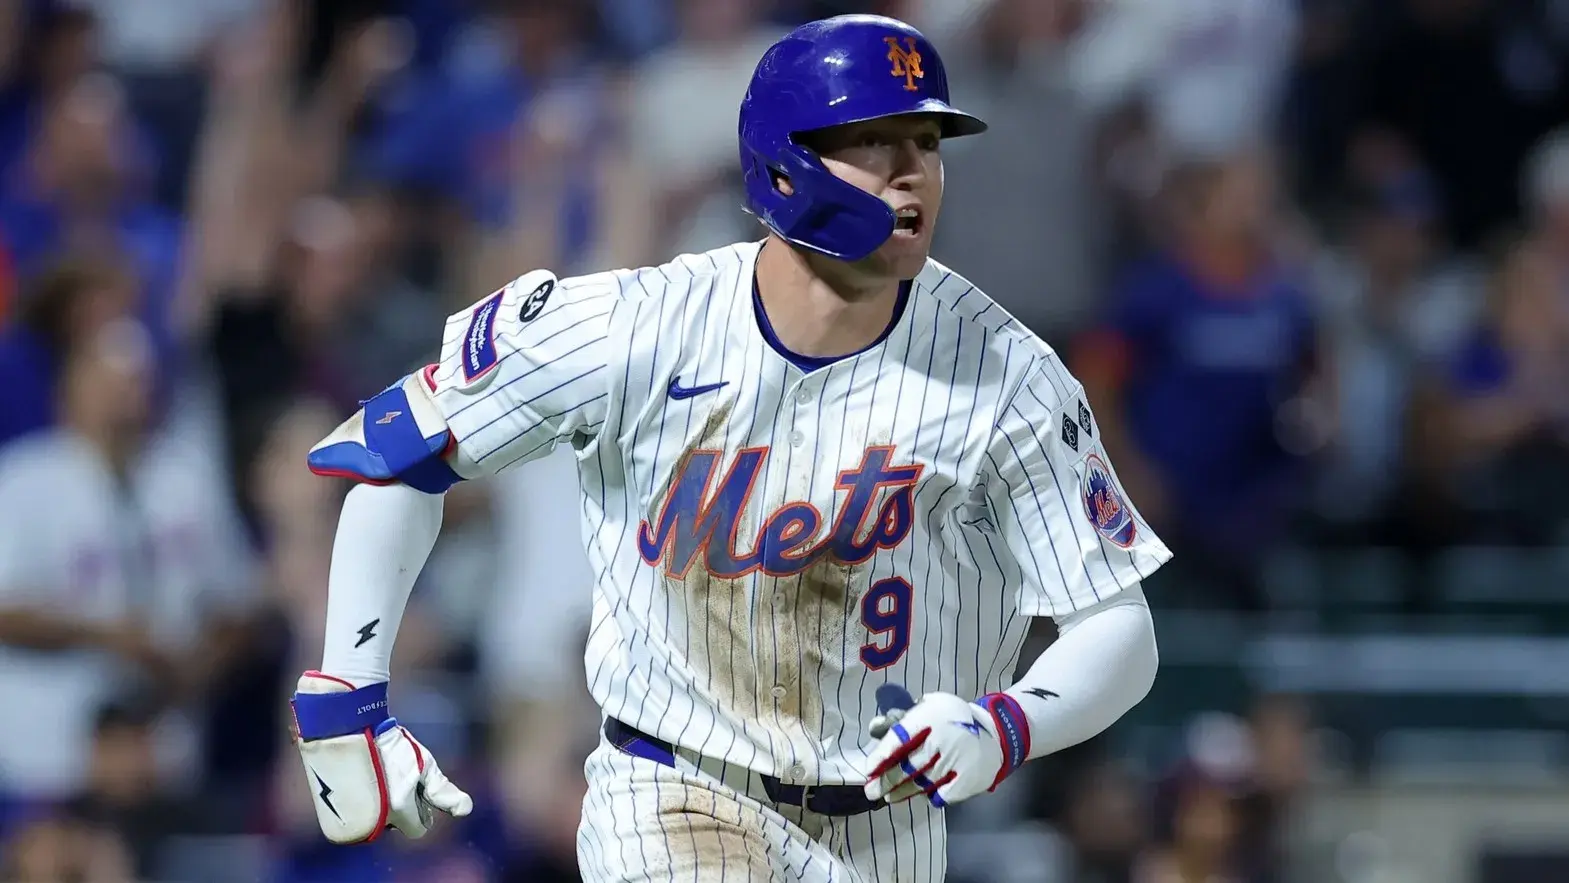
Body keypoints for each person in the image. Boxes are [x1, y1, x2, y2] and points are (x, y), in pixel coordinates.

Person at [288, 14, 1165, 881]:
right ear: (783, 164)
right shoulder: (640, 324)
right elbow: (394, 455)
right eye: (874, 142)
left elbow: (1117, 624)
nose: (914, 176)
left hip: (886, 829)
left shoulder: (1005, 371)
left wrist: (1006, 724)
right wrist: (348, 694)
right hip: (671, 791)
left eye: (926, 144)